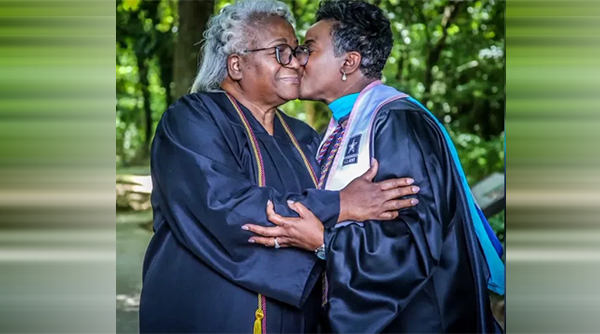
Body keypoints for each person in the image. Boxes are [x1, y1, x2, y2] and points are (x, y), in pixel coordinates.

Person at [138, 1, 420, 333]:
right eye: (280, 52)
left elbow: (329, 232)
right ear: (236, 65)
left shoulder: (305, 138)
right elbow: (229, 208)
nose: (297, 62)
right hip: (208, 314)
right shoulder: (191, 119)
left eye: (298, 51)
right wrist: (341, 204)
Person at [244, 1, 505, 333]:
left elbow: (413, 242)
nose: (297, 60)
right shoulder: (339, 128)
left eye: (308, 50)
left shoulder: (398, 123)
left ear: (349, 63)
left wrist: (325, 241)